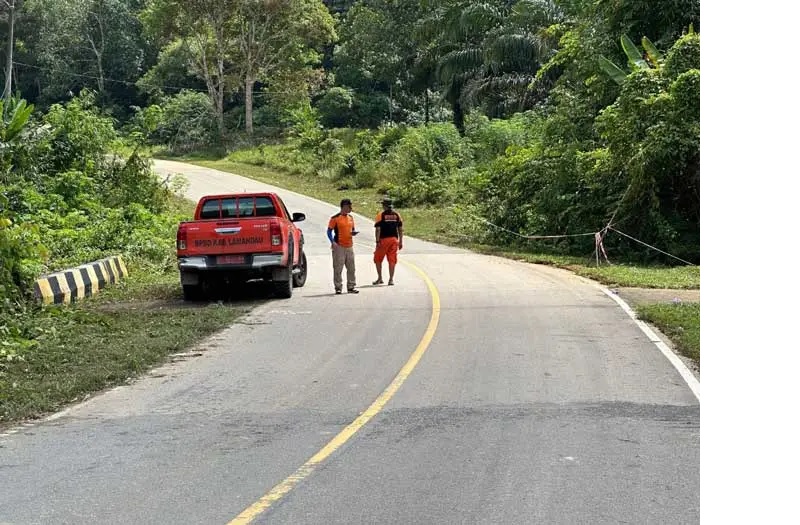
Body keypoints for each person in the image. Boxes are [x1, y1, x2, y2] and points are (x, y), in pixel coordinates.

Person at [327, 198, 359, 294]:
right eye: (349, 206)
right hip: (339, 246)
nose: (350, 208)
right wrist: (332, 241)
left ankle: (351, 286)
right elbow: (329, 231)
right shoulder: (335, 218)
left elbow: (352, 229)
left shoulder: (351, 218)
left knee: (351, 268)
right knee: (338, 268)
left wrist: (353, 233)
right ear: (344, 207)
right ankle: (338, 287)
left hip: (349, 246)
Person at [372, 197, 403, 286]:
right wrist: (400, 241)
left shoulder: (380, 215)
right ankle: (391, 279)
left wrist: (377, 241)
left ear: (384, 206)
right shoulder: (397, 215)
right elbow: (400, 229)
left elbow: (378, 229)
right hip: (394, 240)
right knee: (392, 260)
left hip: (383, 240)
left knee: (377, 259)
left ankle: (380, 278)